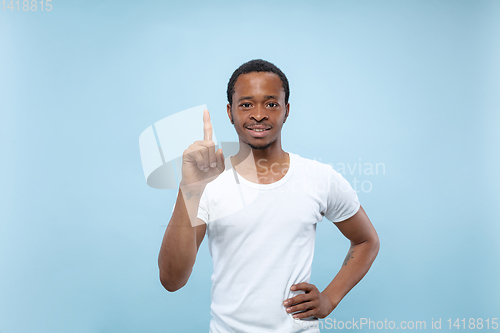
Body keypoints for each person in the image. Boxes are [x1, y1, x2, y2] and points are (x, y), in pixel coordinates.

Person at [158, 59, 380, 332]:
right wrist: (189, 189)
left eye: (271, 104)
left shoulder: (319, 177)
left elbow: (367, 240)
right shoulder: (208, 183)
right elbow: (172, 280)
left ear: (286, 111)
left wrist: (330, 298)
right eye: (246, 104)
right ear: (230, 111)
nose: (259, 114)